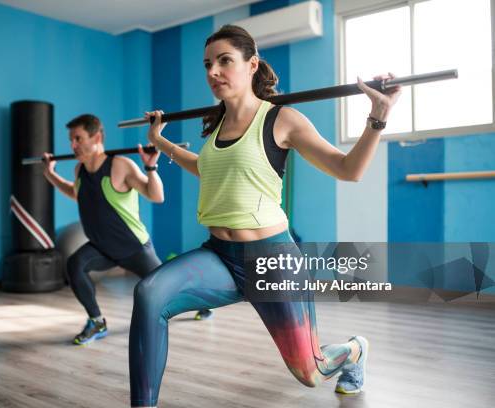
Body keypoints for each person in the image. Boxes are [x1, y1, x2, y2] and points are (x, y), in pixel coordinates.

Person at [128, 25, 401, 407]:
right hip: (218, 256)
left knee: (310, 372)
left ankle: (354, 351)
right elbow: (206, 168)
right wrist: (160, 142)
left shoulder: (281, 119)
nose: (213, 72)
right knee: (149, 293)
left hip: (271, 259)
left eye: (225, 61)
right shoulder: (217, 124)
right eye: (208, 64)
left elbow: (348, 169)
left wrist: (378, 115)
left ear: (251, 64)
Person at [42, 114, 213, 345]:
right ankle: (96, 322)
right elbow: (76, 193)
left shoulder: (120, 165)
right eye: (71, 140)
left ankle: (201, 302)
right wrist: (50, 175)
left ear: (97, 137)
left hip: (134, 247)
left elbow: (156, 195)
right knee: (75, 264)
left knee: (169, 289)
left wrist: (151, 166)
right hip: (102, 247)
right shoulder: (79, 170)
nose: (73, 146)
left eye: (78, 139)